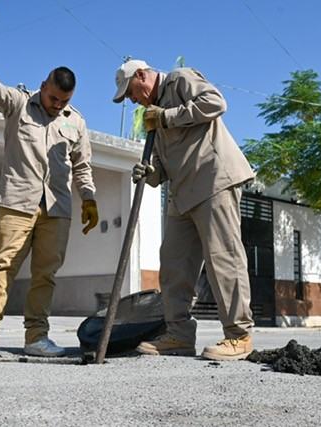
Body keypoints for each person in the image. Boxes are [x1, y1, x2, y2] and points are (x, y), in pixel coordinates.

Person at [0, 55, 98, 357]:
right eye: (53, 97)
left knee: (45, 275)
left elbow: (82, 166)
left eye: (64, 101)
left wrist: (89, 199)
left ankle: (36, 338)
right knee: (2, 267)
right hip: (17, 202)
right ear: (43, 86)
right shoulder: (19, 103)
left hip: (57, 209)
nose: (57, 105)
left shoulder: (76, 122)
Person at [112, 60, 255, 361]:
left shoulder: (179, 80)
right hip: (182, 192)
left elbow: (216, 102)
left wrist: (167, 116)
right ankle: (178, 334)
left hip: (213, 179)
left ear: (142, 75)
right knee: (174, 264)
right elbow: (167, 162)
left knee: (223, 259)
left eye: (130, 92)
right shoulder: (153, 115)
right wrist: (152, 172)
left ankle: (238, 335)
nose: (132, 99)